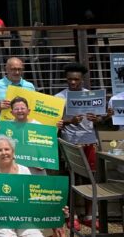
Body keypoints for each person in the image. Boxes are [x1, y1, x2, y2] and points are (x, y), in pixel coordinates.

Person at [0, 135, 68, 237]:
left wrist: (57, 209)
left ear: (13, 152)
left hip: (23, 218)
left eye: (7, 149)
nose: (4, 153)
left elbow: (32, 200)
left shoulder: (24, 170)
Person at [56, 63, 103, 229]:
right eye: (70, 80)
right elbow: (56, 123)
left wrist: (97, 119)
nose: (73, 83)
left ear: (82, 79)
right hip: (69, 142)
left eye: (76, 79)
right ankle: (72, 215)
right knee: (71, 179)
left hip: (90, 141)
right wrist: (70, 121)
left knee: (90, 178)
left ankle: (90, 215)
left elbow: (100, 118)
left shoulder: (91, 95)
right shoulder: (59, 97)